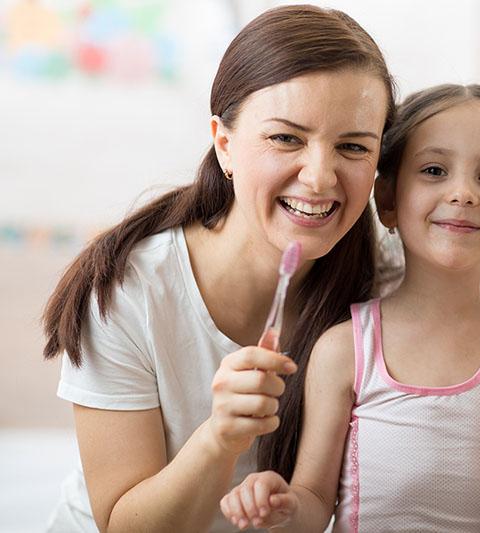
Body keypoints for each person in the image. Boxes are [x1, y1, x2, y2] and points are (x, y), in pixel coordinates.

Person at [41, 5, 395, 532]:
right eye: (285, 138)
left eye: (352, 146)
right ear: (224, 143)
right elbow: (121, 524)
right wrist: (219, 439)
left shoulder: (389, 287)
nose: (320, 178)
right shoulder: (127, 291)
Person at [219, 84, 480, 531]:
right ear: (387, 201)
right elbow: (312, 501)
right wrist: (282, 504)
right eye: (434, 170)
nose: (463, 193)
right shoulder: (345, 348)